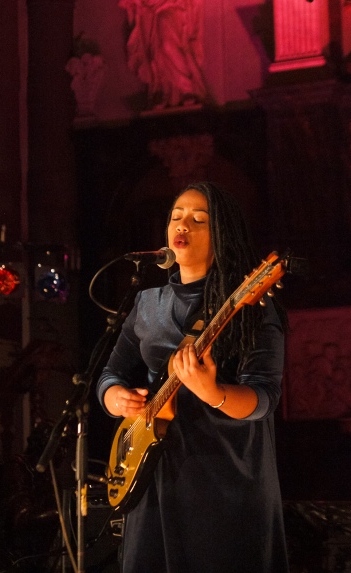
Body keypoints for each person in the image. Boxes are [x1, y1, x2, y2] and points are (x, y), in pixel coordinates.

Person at [96, 182, 290, 573]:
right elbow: (109, 372)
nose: (183, 225)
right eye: (176, 217)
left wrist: (213, 391)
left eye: (199, 220)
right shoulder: (147, 303)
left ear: (222, 234)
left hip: (225, 477)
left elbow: (265, 398)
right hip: (152, 469)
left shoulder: (253, 304)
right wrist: (114, 397)